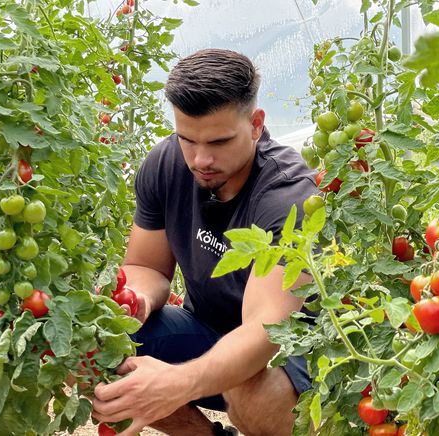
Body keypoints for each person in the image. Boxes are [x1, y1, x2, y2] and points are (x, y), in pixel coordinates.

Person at [91, 48, 318, 436]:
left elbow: (265, 332)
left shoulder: (287, 194)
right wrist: (138, 301)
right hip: (205, 330)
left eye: (219, 142)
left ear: (256, 124)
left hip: (290, 350)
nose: (200, 159)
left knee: (249, 390)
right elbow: (145, 267)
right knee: (93, 342)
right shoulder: (164, 164)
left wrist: (173, 384)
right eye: (187, 140)